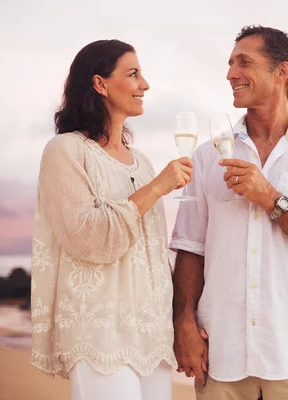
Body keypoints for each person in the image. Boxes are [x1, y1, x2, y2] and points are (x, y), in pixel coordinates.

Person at [171, 25, 288, 399]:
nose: (230, 74)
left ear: (281, 72)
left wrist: (272, 198)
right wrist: (184, 322)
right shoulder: (207, 156)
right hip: (221, 356)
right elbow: (191, 248)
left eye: (244, 62)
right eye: (229, 64)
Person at [31, 39, 193, 400]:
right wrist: (157, 188)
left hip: (152, 336)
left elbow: (153, 258)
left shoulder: (144, 162)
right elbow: (87, 239)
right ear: (99, 83)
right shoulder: (65, 151)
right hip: (100, 334)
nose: (145, 85)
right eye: (133, 74)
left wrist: (179, 324)